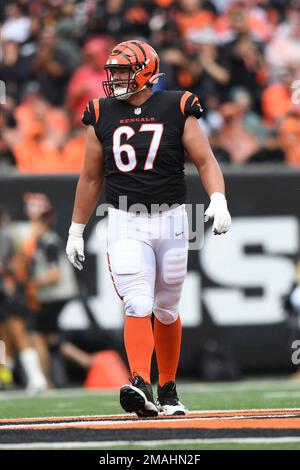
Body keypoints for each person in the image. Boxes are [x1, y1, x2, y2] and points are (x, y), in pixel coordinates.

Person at [66, 39, 231, 417]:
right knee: (138, 299)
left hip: (173, 218)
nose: (116, 79)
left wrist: (218, 198)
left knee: (168, 307)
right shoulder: (101, 112)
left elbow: (205, 161)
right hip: (124, 218)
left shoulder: (177, 105)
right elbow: (91, 177)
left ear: (144, 72)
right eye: (114, 72)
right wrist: (76, 228)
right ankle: (140, 381)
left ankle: (168, 389)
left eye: (123, 71)